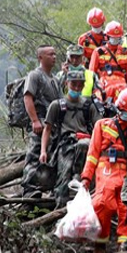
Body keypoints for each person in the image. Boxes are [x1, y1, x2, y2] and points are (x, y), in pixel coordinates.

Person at [80, 88, 127, 253]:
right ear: (120, 109)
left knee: (125, 206)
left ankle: (123, 246)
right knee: (102, 203)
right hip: (106, 169)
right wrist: (86, 178)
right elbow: (92, 155)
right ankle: (100, 244)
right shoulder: (102, 125)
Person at [40, 66, 102, 208]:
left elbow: (99, 128)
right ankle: (59, 213)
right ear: (67, 83)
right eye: (73, 84)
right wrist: (43, 151)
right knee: (63, 182)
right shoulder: (57, 105)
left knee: (84, 146)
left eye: (80, 85)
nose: (76, 87)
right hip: (64, 146)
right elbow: (47, 129)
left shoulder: (89, 105)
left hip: (86, 148)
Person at [21, 45, 62, 197]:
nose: (54, 57)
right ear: (41, 57)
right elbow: (27, 97)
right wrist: (34, 120)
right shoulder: (35, 75)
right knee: (34, 155)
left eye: (55, 54)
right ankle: (29, 189)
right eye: (50, 54)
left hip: (52, 125)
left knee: (51, 156)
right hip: (39, 123)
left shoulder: (54, 80)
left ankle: (47, 189)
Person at [89, 21, 127, 103]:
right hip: (104, 84)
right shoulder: (98, 52)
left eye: (117, 37)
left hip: (123, 84)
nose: (115, 39)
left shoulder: (125, 52)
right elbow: (91, 73)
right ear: (107, 36)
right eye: (113, 37)